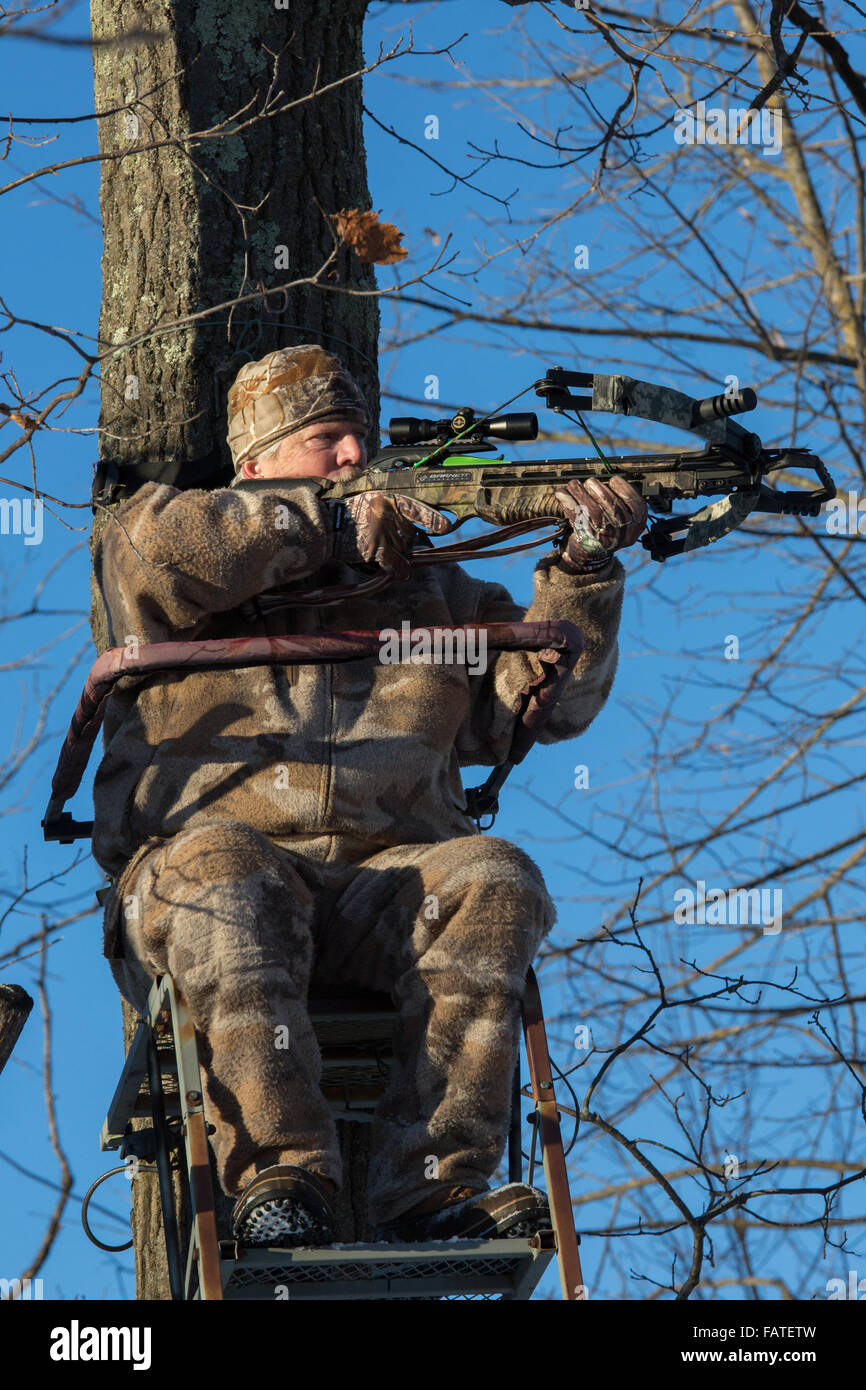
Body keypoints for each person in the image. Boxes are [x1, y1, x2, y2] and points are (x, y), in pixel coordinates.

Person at [92, 344, 646, 1246]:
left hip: (386, 885)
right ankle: (280, 1180)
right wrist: (324, 528)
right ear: (256, 463)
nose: (354, 456)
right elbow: (159, 556)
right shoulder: (163, 540)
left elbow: (547, 706)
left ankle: (433, 1186)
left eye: (361, 439)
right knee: (226, 872)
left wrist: (583, 569)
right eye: (325, 440)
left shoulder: (437, 590)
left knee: (495, 877)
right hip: (211, 879)